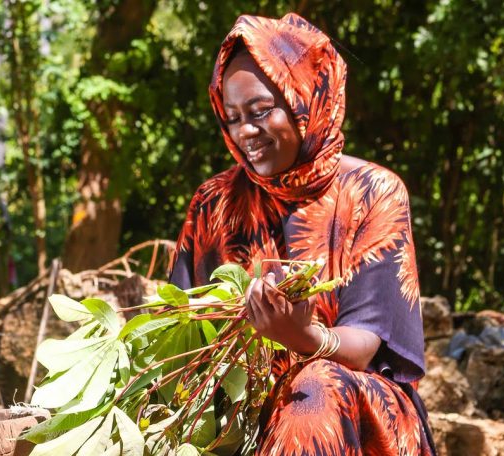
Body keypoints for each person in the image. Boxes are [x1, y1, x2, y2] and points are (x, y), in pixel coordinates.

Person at [169, 12, 436, 455]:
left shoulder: (371, 193)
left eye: (259, 111)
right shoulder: (213, 203)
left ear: (306, 100)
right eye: (232, 117)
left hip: (351, 411)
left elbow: (367, 346)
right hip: (242, 416)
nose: (245, 132)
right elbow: (182, 326)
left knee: (313, 386)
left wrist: (304, 338)